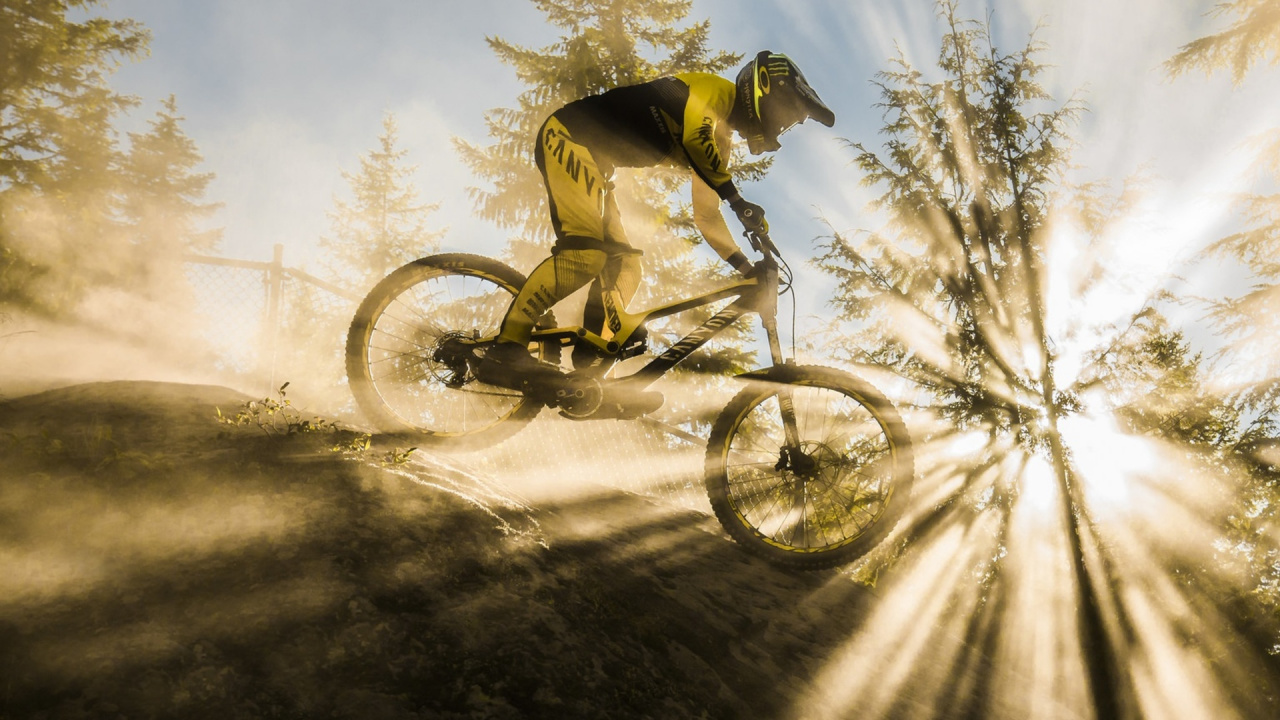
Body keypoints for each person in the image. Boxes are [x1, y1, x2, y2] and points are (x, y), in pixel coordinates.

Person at [477, 50, 835, 396]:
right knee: (585, 256)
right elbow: (695, 137)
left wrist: (744, 267)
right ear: (762, 92)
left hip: (596, 166)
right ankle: (507, 346)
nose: (780, 127)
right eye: (783, 116)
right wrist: (738, 202)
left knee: (627, 266)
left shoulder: (720, 142)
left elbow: (706, 214)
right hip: (569, 136)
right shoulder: (713, 93)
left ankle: (586, 374)